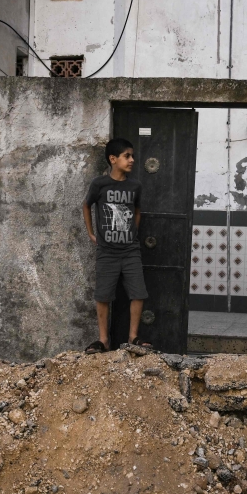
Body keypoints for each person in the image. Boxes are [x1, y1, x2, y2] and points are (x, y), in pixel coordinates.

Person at [82, 138, 152, 353]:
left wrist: (133, 233)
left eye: (132, 156)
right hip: (107, 251)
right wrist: (92, 234)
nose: (132, 160)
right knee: (103, 295)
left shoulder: (135, 186)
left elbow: (137, 211)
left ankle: (133, 337)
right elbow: (86, 205)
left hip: (130, 250)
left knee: (138, 292)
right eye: (127, 156)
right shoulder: (99, 184)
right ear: (113, 159)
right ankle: (103, 340)